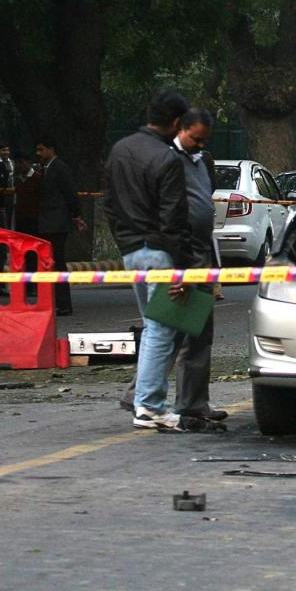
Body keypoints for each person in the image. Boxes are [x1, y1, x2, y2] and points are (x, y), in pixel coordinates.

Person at [106, 88, 190, 430]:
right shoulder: (167, 158)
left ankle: (145, 398)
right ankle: (149, 405)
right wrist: (183, 266)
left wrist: (125, 242)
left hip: (130, 250)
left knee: (153, 324)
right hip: (158, 251)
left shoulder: (120, 150)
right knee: (161, 328)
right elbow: (172, 218)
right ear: (175, 122)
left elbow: (109, 204)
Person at [166, 109, 230, 431]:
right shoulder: (167, 160)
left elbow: (205, 205)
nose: (200, 145)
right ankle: (141, 396)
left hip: (202, 252)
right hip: (181, 253)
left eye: (204, 140)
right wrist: (180, 266)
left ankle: (194, 402)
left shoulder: (202, 161)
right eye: (195, 138)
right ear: (180, 128)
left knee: (200, 332)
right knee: (172, 329)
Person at [33, 138, 86, 316]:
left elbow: (70, 194)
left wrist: (76, 215)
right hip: (48, 223)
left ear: (51, 149)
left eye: (41, 149)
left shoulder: (60, 168)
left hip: (56, 223)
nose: (38, 154)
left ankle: (64, 303)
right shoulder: (45, 169)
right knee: (51, 263)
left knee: (58, 263)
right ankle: (54, 301)